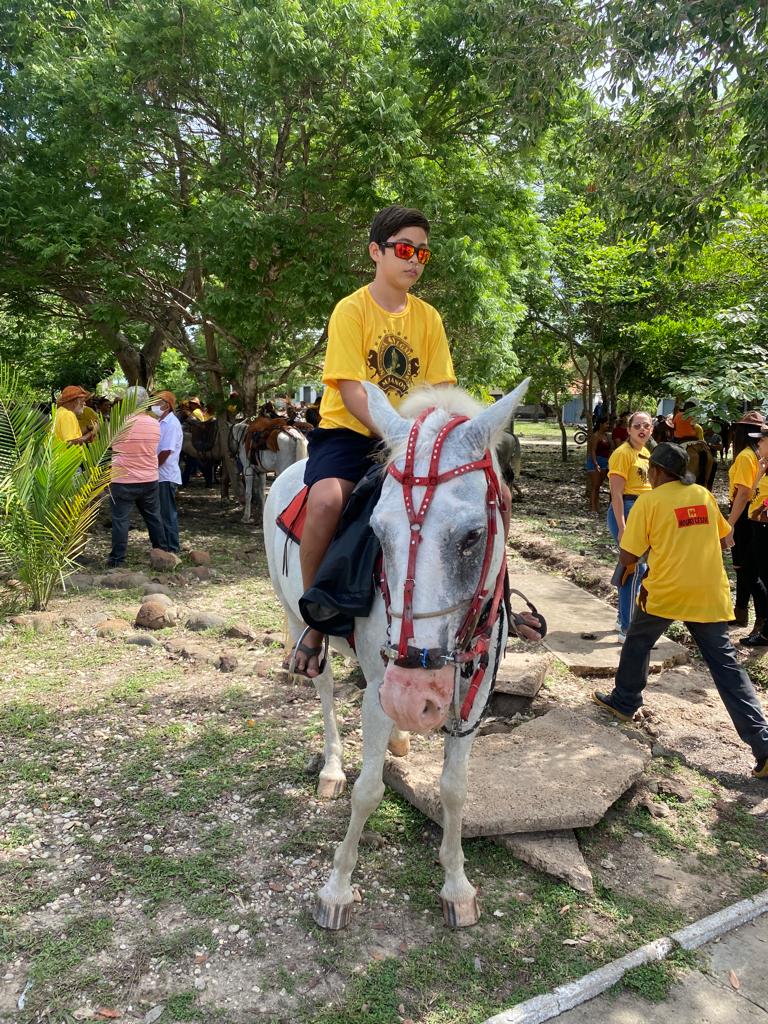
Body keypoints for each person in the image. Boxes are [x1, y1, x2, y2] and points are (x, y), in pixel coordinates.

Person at [291, 205, 458, 676]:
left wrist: (430, 434)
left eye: (423, 252)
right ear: (376, 252)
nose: (415, 260)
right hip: (349, 434)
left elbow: (441, 389)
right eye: (404, 249)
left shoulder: (430, 318)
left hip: (412, 439)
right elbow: (351, 388)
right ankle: (317, 620)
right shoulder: (352, 309)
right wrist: (397, 434)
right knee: (325, 502)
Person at [593, 442, 768, 779]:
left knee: (638, 641)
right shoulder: (702, 495)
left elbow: (629, 556)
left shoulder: (649, 502)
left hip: (667, 592)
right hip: (708, 593)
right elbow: (725, 537)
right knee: (727, 668)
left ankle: (625, 701)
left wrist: (628, 568)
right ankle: (763, 744)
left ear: (657, 472)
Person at [107, 386, 168, 567]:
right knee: (153, 517)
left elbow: (109, 446)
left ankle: (117, 559)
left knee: (120, 520)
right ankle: (162, 552)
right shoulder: (155, 424)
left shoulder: (118, 423)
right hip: (149, 478)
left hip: (122, 480)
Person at [607, 411, 653, 641]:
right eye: (637, 426)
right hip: (627, 510)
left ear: (652, 429)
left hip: (643, 513)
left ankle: (621, 619)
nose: (642, 429)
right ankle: (628, 627)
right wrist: (623, 527)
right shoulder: (622, 454)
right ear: (629, 429)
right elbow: (616, 494)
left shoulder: (645, 452)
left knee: (632, 570)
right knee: (634, 569)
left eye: (646, 425)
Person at [727, 411, 767, 630]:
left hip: (742, 513)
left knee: (747, 570)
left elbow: (742, 494)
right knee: (744, 568)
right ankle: (741, 612)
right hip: (753, 513)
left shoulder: (744, 457)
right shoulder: (756, 456)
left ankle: (760, 619)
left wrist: (730, 523)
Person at [738, 424, 768, 647]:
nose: (758, 444)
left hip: (764, 527)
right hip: (756, 525)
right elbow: (754, 491)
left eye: (762, 440)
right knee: (749, 570)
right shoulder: (764, 465)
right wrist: (759, 471)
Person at [153, 390, 183, 555]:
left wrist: (152, 467)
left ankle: (172, 547)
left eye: (158, 401)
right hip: (160, 474)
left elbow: (166, 451)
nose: (155, 404)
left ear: (167, 405)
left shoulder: (171, 424)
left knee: (167, 512)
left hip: (165, 474)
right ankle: (164, 546)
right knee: (161, 512)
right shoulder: (160, 421)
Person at [585, 417, 613, 513]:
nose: (608, 426)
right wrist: (595, 463)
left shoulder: (607, 436)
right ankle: (593, 508)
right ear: (601, 424)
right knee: (595, 486)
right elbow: (592, 451)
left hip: (605, 462)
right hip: (595, 461)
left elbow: (609, 449)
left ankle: (596, 506)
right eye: (606, 424)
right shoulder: (596, 436)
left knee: (599, 485)